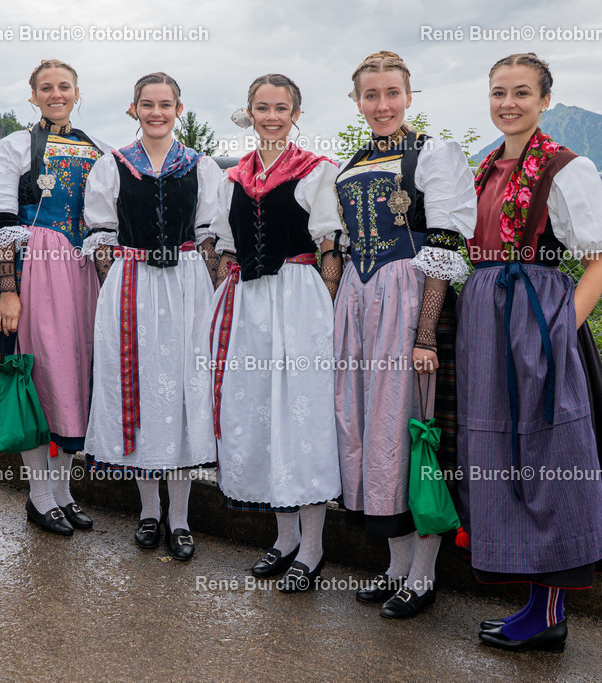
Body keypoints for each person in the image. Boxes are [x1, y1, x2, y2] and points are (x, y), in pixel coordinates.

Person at [462, 53, 602, 652]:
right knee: (504, 456)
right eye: (498, 93)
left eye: (521, 93)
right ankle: (535, 606)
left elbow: (599, 262)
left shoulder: (567, 167)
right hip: (488, 320)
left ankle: (548, 613)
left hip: (536, 319)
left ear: (545, 100)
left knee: (549, 457)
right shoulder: (486, 166)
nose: (507, 103)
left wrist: (556, 334)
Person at [334, 51, 475, 617]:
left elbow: (444, 246)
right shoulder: (355, 161)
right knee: (366, 427)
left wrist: (424, 336)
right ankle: (393, 566)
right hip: (359, 302)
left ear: (409, 97)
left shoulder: (433, 156)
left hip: (409, 303)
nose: (382, 105)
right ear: (358, 101)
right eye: (371, 95)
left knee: (412, 431)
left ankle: (423, 576)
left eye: (392, 93)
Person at [208, 74, 343, 592]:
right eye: (262, 107)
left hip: (300, 298)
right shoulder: (233, 177)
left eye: (280, 108)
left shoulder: (316, 170)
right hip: (251, 303)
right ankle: (284, 539)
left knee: (301, 418)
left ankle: (313, 548)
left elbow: (329, 247)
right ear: (250, 112)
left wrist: (326, 312)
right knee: (261, 414)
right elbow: (224, 249)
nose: (271, 116)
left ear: (295, 113)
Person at [0, 59, 109, 536]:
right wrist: (8, 291)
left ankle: (65, 493)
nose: (56, 94)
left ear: (76, 91)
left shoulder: (99, 152)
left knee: (75, 378)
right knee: (36, 378)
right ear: (33, 96)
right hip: (36, 272)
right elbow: (3, 225)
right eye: (45, 88)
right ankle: (39, 495)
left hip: (81, 270)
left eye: (64, 86)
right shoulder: (15, 148)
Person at [82, 72, 220, 561]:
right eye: (147, 104)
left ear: (178, 109)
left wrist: (204, 289)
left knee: (182, 392)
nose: (156, 112)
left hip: (186, 284)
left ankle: (180, 520)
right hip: (132, 283)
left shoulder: (201, 167)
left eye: (165, 104)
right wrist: (116, 284)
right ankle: (148, 513)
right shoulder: (113, 164)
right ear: (133, 109)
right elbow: (101, 234)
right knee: (138, 390)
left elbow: (210, 237)